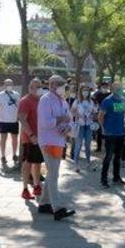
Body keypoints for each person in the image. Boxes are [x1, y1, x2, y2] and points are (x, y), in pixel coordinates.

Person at [38, 75, 76, 221]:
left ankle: (43, 204)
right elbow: (45, 123)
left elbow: (69, 119)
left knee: (52, 173)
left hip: (59, 141)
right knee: (53, 174)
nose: (62, 86)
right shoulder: (45, 100)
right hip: (48, 142)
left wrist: (68, 127)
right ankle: (57, 208)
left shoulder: (62, 101)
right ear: (51, 85)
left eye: (63, 83)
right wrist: (62, 120)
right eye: (59, 84)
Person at [17, 78, 44, 200]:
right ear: (30, 88)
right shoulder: (25, 101)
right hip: (29, 138)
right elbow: (22, 119)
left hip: (40, 137)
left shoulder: (40, 100)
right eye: (36, 86)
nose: (38, 89)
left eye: (40, 86)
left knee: (37, 163)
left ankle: (36, 185)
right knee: (27, 163)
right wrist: (31, 135)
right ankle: (25, 189)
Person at [99, 82, 125, 188]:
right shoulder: (107, 101)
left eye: (120, 88)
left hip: (121, 132)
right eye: (117, 88)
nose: (120, 90)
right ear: (112, 89)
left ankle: (116, 177)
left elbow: (123, 114)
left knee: (118, 157)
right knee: (108, 156)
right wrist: (104, 129)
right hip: (110, 133)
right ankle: (103, 179)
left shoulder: (123, 100)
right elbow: (100, 116)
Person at [0, 79, 21, 167]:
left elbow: (19, 106)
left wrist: (19, 117)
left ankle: (14, 154)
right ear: (4, 85)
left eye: (10, 84)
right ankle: (3, 156)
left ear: (13, 85)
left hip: (14, 121)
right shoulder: (0, 95)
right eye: (7, 84)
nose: (9, 85)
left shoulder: (16, 94)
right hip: (3, 121)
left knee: (15, 139)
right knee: (3, 139)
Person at [72, 84, 96, 173]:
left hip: (89, 125)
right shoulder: (77, 101)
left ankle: (88, 163)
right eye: (84, 90)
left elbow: (94, 112)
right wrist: (79, 115)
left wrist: (93, 114)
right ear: (81, 91)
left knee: (88, 146)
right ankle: (76, 164)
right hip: (80, 125)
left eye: (87, 90)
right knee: (78, 146)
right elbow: (72, 111)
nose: (85, 92)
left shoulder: (91, 102)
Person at [92, 82, 111, 153]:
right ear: (101, 87)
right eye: (104, 86)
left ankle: (107, 146)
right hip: (99, 114)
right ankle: (99, 147)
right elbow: (93, 101)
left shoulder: (109, 94)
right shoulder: (97, 94)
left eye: (106, 86)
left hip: (108, 115)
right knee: (99, 131)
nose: (105, 88)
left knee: (107, 131)